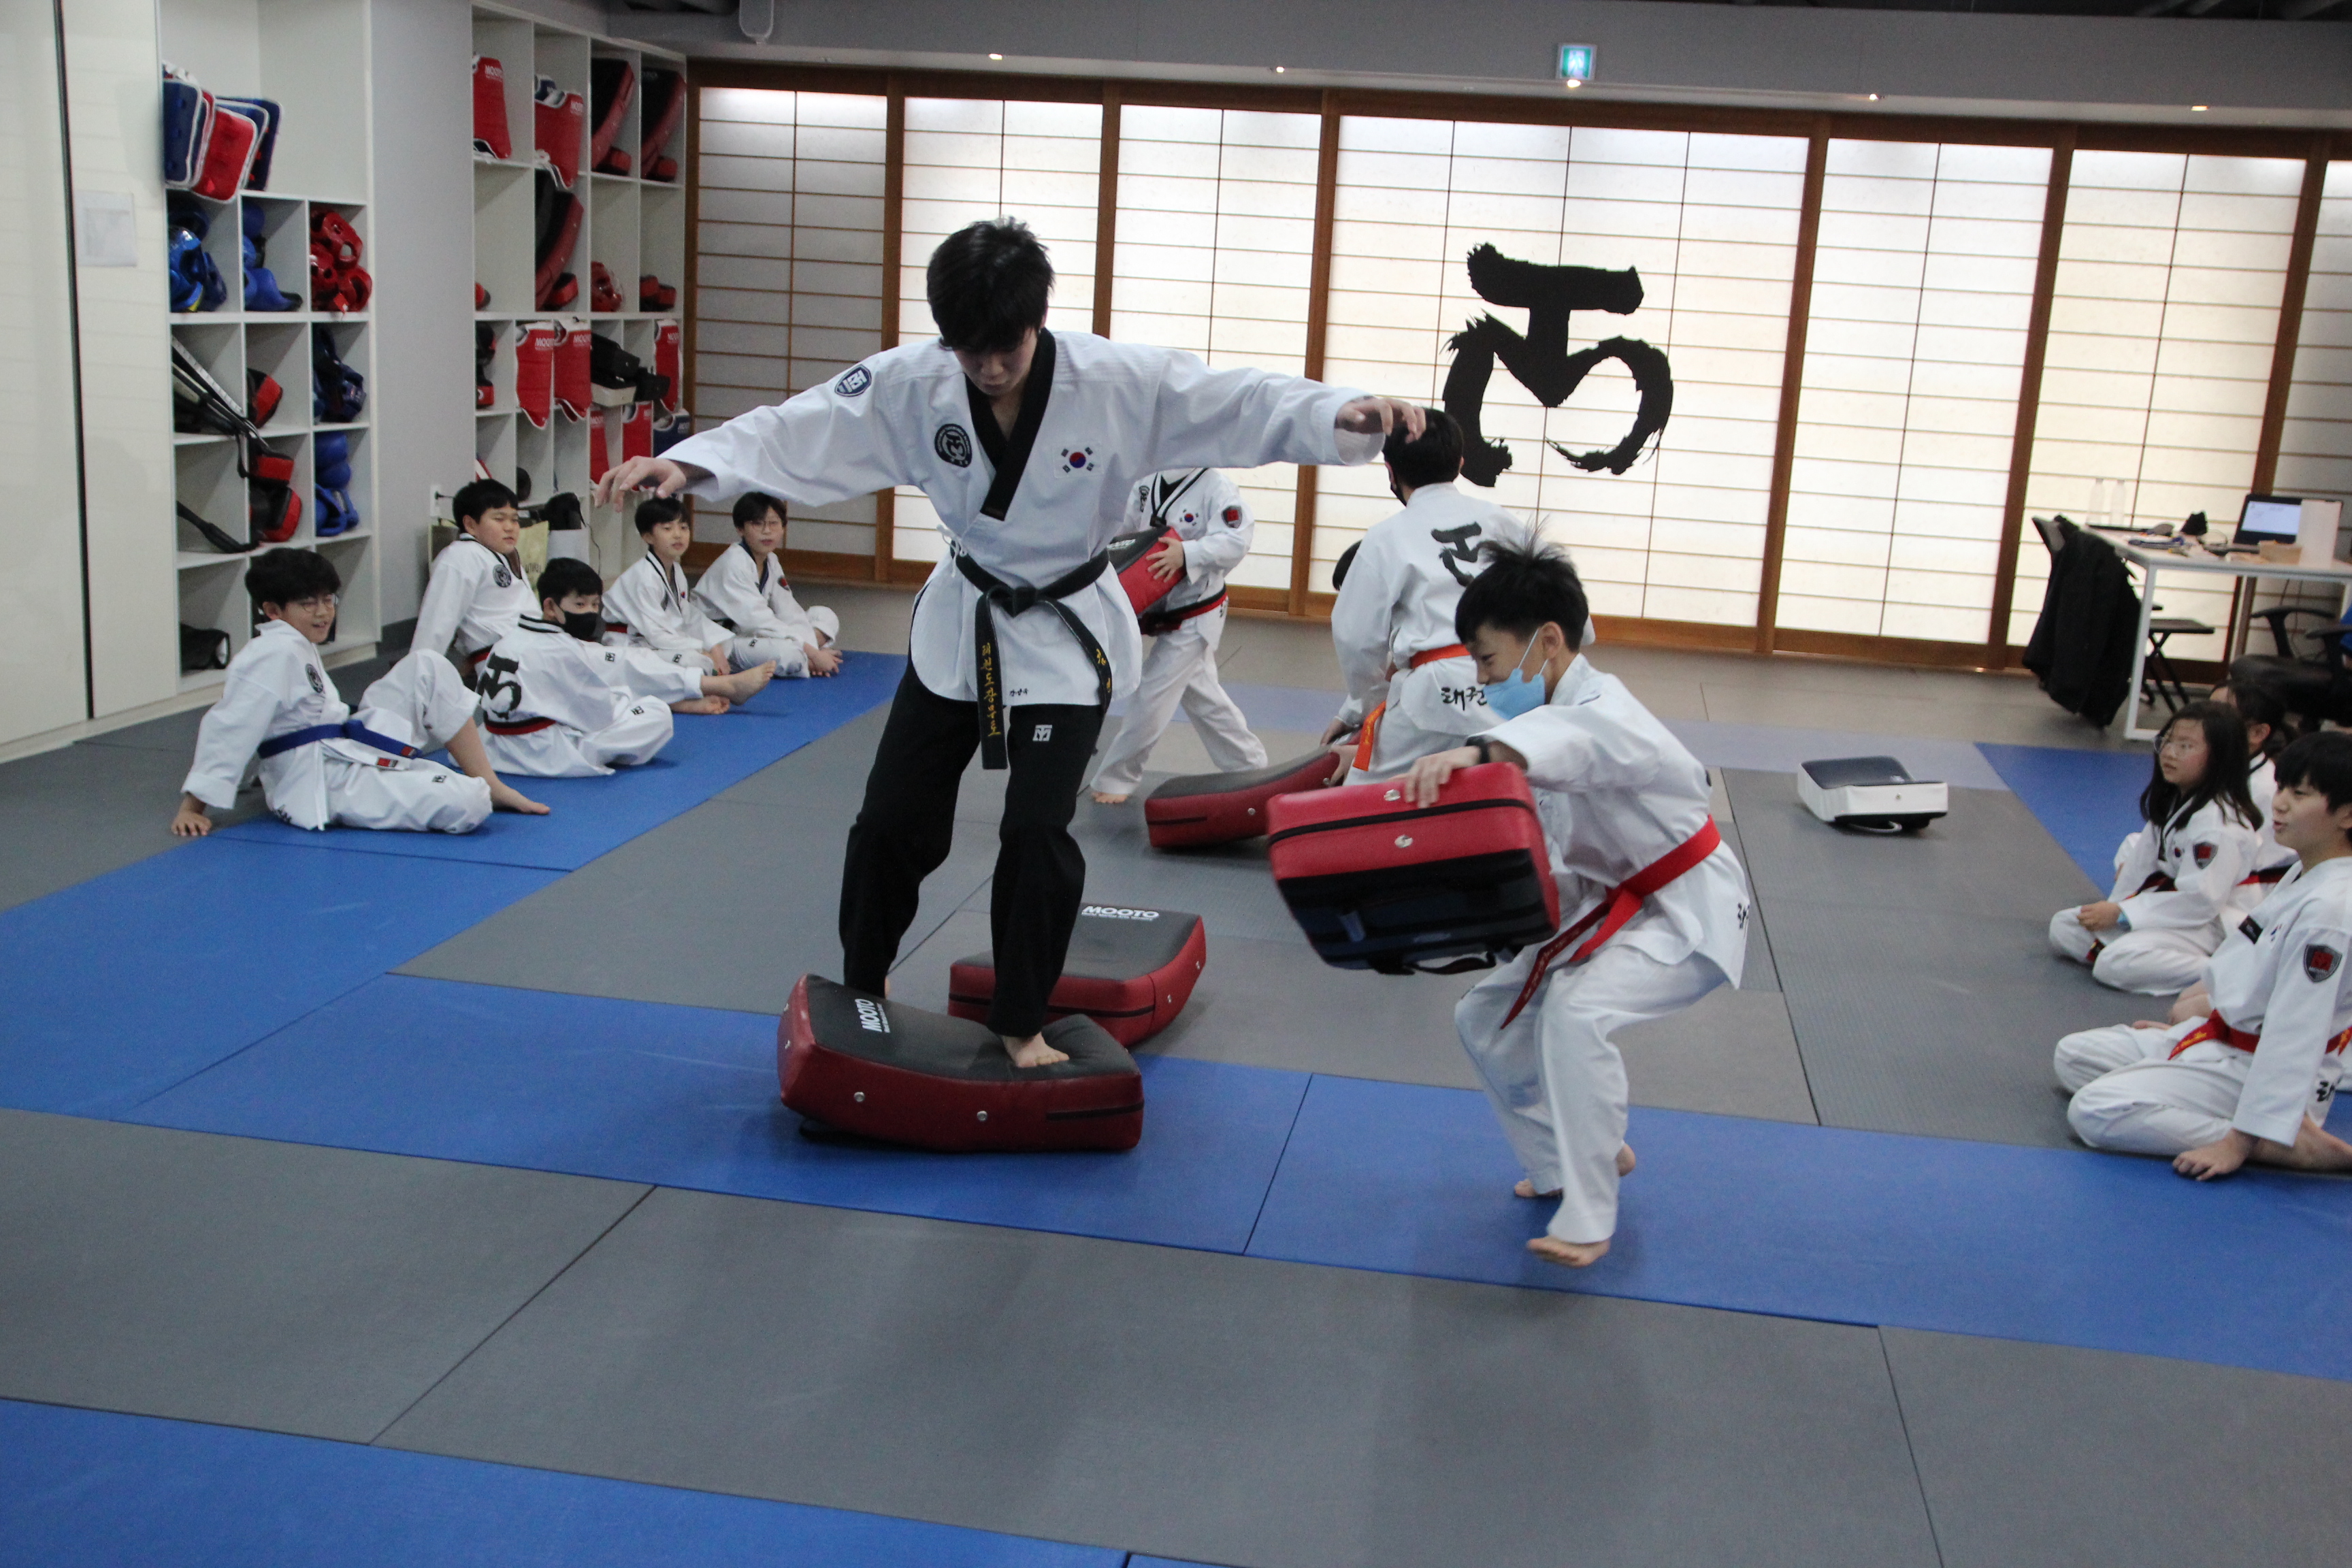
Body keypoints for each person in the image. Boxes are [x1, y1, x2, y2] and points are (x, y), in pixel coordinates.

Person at [593, 217, 1420, 1068]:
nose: (987, 368)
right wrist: (693, 465)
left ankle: (1022, 1021)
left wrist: (1337, 414)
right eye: (968, 350)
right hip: (965, 621)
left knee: (1035, 832)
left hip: (1066, 634)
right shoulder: (915, 382)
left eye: (1006, 349)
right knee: (890, 822)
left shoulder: (1113, 381)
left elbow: (1235, 400)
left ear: (1038, 321)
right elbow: (800, 427)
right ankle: (863, 982)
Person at [1399, 540, 1750, 1268]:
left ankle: (1590, 1218)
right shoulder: (1553, 713)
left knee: (1577, 1013)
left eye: (1488, 660)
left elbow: (1571, 743)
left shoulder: (1604, 712)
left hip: (1688, 908)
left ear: (1549, 642)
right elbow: (1553, 842)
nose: (1482, 679)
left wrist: (1479, 751)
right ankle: (1562, 1159)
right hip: (1614, 900)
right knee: (1483, 1018)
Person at [2053, 730, 2352, 1179]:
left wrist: (2237, 1143)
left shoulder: (2331, 911)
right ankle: (2246, 1113)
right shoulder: (2304, 873)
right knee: (2075, 1057)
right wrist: (2204, 1026)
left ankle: (2276, 1141)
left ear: (2347, 813)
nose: (2280, 804)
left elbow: (2296, 1033)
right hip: (2224, 1041)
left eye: (2301, 794)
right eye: (2283, 788)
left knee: (2094, 1110)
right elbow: (2247, 969)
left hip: (2259, 1068)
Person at [172, 546, 546, 835]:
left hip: (345, 744)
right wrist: (193, 807)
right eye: (308, 604)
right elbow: (231, 726)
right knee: (469, 803)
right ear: (272, 610)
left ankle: (491, 782)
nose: (323, 613)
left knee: (428, 665)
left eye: (327, 600)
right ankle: (481, 790)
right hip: (323, 779)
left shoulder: (294, 643)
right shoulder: (270, 653)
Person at [415, 479, 760, 710]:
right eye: (498, 519)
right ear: (470, 524)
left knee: (614, 665)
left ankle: (687, 696)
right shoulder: (461, 558)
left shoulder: (498, 555)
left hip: (537, 647)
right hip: (517, 660)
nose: (510, 527)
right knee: (614, 665)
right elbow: (436, 624)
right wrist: (419, 684)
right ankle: (717, 687)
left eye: (514, 519)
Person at [1320, 411, 1526, 783]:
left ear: (1390, 472)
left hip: (1431, 692)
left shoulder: (1385, 537)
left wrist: (1366, 708)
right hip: (1509, 687)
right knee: (1512, 787)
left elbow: (1355, 638)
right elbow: (1569, 615)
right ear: (1460, 464)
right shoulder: (1506, 523)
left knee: (1367, 795)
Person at [2048, 701, 2261, 996]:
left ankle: (2223, 971)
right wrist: (2116, 908)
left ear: (2220, 757)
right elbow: (2139, 867)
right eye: (2168, 742)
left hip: (2211, 925)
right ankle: (2138, 953)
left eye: (2186, 746)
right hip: (2168, 911)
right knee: (2065, 927)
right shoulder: (2177, 801)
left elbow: (2200, 901)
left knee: (2113, 963)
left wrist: (2123, 914)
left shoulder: (2219, 825)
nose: (2170, 753)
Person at [1089, 467, 1267, 804]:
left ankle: (1117, 777)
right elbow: (1120, 530)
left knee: (1152, 692)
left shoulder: (1216, 487)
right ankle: (1250, 765)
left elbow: (1236, 540)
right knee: (1204, 697)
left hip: (1197, 610)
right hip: (1159, 604)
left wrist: (1187, 553)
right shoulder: (1147, 481)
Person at [474, 557, 680, 777]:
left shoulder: (508, 639)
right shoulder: (561, 648)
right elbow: (599, 717)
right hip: (542, 753)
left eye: (595, 605)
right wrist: (627, 696)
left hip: (492, 747)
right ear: (550, 606)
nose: (589, 612)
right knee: (656, 712)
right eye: (580, 605)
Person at [603, 496, 771, 684]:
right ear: (648, 537)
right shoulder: (643, 578)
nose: (678, 535)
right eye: (668, 529)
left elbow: (688, 616)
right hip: (628, 644)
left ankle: (716, 686)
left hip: (653, 642)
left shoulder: (675, 571)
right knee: (696, 661)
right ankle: (723, 687)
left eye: (683, 527)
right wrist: (700, 648)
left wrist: (714, 645)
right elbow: (656, 633)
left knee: (711, 654)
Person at [693, 492, 843, 679]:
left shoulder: (771, 560)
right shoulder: (734, 563)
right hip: (724, 641)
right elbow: (759, 621)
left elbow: (788, 610)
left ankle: (807, 657)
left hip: (753, 633)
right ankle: (807, 661)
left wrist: (811, 650)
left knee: (825, 616)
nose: (767, 531)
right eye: (757, 524)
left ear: (783, 527)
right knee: (789, 654)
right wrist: (813, 653)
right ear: (740, 529)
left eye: (774, 523)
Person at [2210, 679, 2298, 906]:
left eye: (2219, 715)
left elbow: (2262, 866)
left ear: (2258, 733)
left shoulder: (2267, 790)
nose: (2203, 722)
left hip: (2246, 895)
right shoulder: (2210, 768)